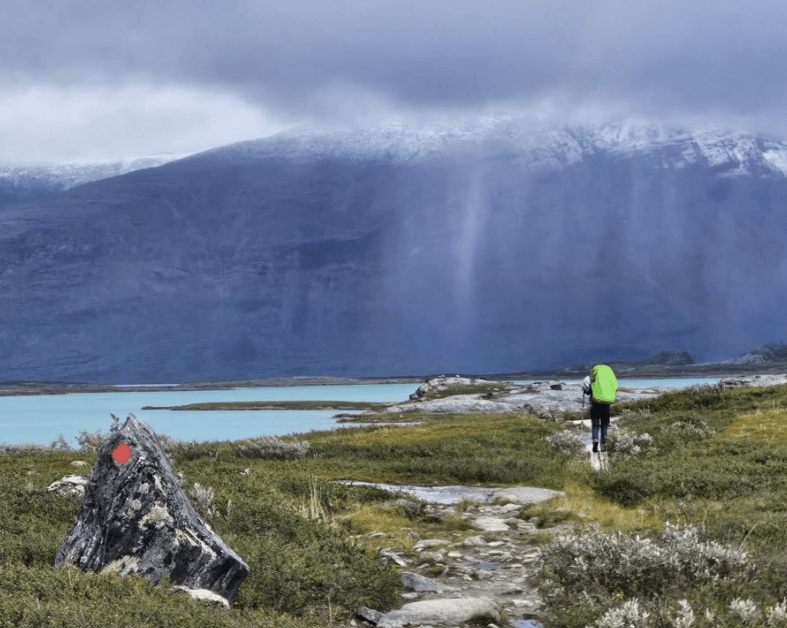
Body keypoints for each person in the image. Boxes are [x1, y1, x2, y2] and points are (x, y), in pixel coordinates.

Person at [582, 365, 618, 453]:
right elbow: (615, 389)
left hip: (595, 405)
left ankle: (595, 442)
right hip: (606, 406)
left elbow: (587, 391)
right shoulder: (609, 381)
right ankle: (603, 444)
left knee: (595, 425)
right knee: (604, 425)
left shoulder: (593, 381)